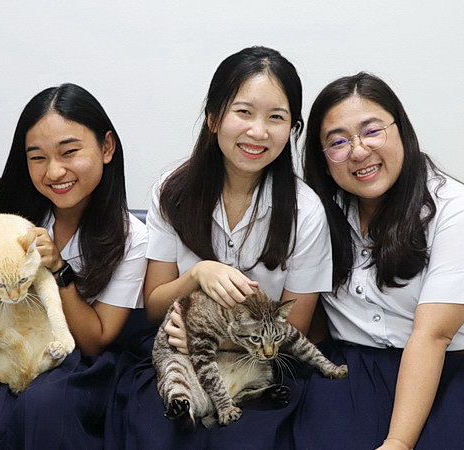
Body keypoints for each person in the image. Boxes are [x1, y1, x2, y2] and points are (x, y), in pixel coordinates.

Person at [296, 72, 464, 449]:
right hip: (354, 372)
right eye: (338, 142)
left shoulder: (460, 210)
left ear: (401, 130)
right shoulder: (320, 214)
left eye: (372, 131)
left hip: (461, 372)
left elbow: (433, 335)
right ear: (323, 157)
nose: (359, 151)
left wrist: (397, 442)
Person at [106, 46, 332, 449]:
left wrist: (217, 340)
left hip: (259, 366)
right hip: (179, 359)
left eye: (276, 117)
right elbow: (156, 305)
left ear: (292, 129)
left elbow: (294, 326)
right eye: (243, 112)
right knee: (157, 434)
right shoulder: (172, 192)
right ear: (214, 117)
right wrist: (196, 274)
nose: (258, 132)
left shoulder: (305, 210)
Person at [0, 83, 148, 449]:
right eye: (37, 157)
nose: (54, 172)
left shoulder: (131, 237)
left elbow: (94, 341)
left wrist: (57, 268)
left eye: (69, 152)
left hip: (73, 360)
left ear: (107, 147)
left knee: (46, 409)